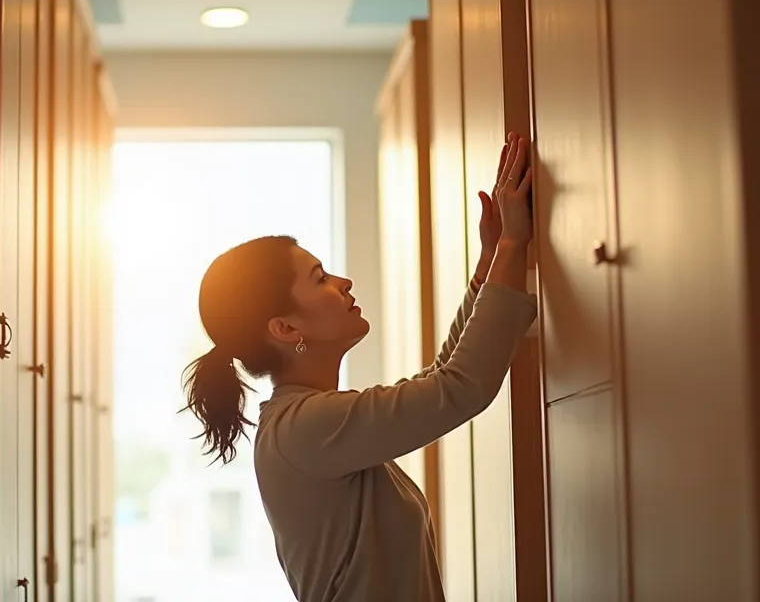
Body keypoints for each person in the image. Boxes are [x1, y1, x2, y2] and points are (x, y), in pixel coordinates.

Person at [181, 133, 538, 602]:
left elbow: (440, 380)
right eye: (320, 278)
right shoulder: (303, 428)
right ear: (285, 328)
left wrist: (490, 262)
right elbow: (459, 389)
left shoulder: (307, 423)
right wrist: (513, 244)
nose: (344, 283)